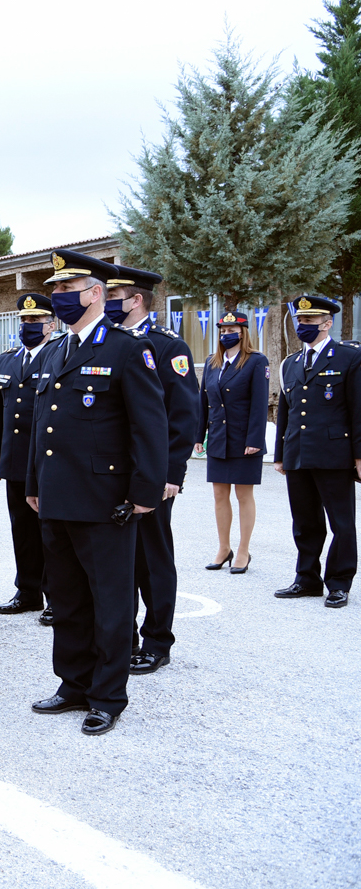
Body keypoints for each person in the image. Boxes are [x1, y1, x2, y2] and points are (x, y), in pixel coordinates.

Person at [25, 250, 167, 736]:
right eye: (56, 291)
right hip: (57, 498)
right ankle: (73, 683)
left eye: (67, 290)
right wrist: (33, 485)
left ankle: (107, 696)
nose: (58, 298)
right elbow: (43, 428)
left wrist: (145, 493)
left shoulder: (127, 349)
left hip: (107, 501)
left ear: (96, 294)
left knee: (110, 602)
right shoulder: (54, 350)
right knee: (65, 598)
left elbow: (149, 427)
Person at [106, 266, 200, 674]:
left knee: (152, 558)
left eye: (114, 296)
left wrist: (170, 475)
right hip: (112, 473)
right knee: (117, 562)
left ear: (136, 300)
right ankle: (121, 639)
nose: (107, 303)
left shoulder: (166, 347)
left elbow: (183, 416)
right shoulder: (110, 343)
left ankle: (157, 640)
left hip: (152, 475)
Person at [274, 295, 361, 608]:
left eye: (310, 321)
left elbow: (358, 409)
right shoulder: (291, 363)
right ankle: (307, 579)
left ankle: (338, 583)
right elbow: (286, 409)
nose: (303, 326)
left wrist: (359, 456)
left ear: (328, 323)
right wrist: (281, 453)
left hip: (334, 453)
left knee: (341, 523)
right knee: (305, 522)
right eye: (300, 321)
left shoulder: (349, 358)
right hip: (299, 453)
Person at [0, 293, 61, 621]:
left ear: (51, 324)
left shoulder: (59, 356)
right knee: (22, 528)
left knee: (52, 530)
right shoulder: (6, 360)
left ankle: (58, 596)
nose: (28, 326)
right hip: (16, 459)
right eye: (25, 321)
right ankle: (28, 591)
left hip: (47, 460)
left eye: (35, 320)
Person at [196, 311, 269, 577]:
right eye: (223, 331)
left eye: (232, 330)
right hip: (217, 438)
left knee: (243, 495)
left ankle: (243, 550)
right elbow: (203, 402)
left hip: (243, 439)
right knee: (219, 495)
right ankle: (223, 547)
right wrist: (198, 435)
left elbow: (260, 405)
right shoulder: (212, 362)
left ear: (243, 332)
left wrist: (255, 440)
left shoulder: (256, 361)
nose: (227, 335)